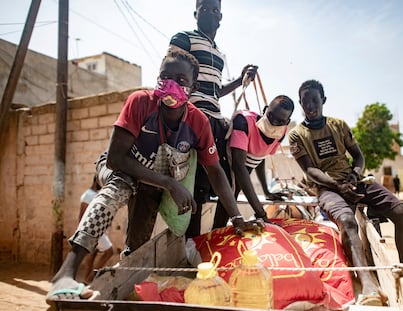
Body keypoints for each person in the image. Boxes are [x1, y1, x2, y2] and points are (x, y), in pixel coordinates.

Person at [46, 49, 264, 302]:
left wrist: (237, 217)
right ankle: (66, 271)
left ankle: (122, 290)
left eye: (181, 80)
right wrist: (169, 183)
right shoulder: (140, 102)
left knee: (137, 245)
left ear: (193, 87)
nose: (171, 84)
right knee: (118, 187)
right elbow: (117, 159)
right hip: (121, 169)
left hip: (151, 183)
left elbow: (215, 171)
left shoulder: (198, 122)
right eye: (165, 76)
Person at [288, 79, 403, 305]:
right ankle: (368, 285)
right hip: (328, 188)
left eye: (314, 100)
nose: (310, 106)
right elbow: (310, 169)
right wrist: (338, 187)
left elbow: (358, 156)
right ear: (300, 103)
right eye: (305, 102)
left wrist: (355, 176)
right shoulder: (297, 135)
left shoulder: (338, 125)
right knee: (347, 221)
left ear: (323, 100)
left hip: (353, 180)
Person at [169, 0, 258, 238]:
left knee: (224, 183)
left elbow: (215, 91)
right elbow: (171, 73)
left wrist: (241, 81)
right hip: (192, 118)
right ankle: (192, 244)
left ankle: (218, 239)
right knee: (195, 185)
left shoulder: (219, 54)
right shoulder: (184, 38)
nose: (210, 13)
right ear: (195, 13)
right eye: (205, 9)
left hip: (215, 121)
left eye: (215, 10)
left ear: (221, 17)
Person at [212, 95, 294, 228]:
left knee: (233, 194)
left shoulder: (281, 133)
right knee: (228, 199)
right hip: (226, 166)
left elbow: (260, 157)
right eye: (271, 115)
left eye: (280, 121)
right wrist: (261, 213)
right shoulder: (243, 122)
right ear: (265, 109)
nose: (273, 122)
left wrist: (266, 191)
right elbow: (238, 166)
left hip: (241, 175)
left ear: (287, 122)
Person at [79, 176, 114, 284]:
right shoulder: (88, 195)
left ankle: (86, 280)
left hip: (98, 229)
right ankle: (90, 278)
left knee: (92, 253)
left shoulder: (95, 194)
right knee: (109, 251)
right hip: (93, 229)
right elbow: (82, 215)